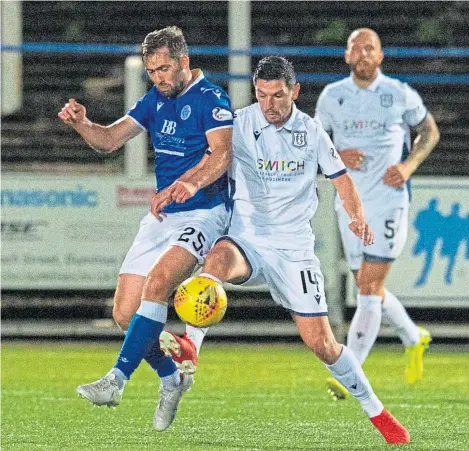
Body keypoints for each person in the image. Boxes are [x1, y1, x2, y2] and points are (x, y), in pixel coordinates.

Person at [155, 55, 410, 444]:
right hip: (248, 241)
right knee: (215, 262)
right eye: (261, 96)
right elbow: (212, 157)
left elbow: (342, 181)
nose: (269, 105)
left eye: (277, 96)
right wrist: (184, 184)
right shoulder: (239, 123)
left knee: (324, 346)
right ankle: (191, 346)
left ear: (295, 91)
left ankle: (377, 412)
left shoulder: (313, 132)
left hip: (294, 252)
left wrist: (357, 216)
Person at [58, 26, 233, 431]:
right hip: (163, 215)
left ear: (184, 62)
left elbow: (222, 155)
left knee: (157, 285)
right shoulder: (155, 100)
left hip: (203, 212)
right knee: (124, 313)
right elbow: (108, 140)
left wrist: (186, 184)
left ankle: (115, 380)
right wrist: (83, 123)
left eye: (165, 68)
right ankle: (172, 379)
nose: (159, 78)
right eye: (153, 70)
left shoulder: (211, 98)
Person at [313, 28, 440, 397]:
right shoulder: (332, 96)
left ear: (380, 56)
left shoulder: (398, 93)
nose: (364, 54)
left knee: (368, 288)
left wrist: (409, 166)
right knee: (369, 285)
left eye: (371, 49)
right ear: (347, 56)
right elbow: (317, 146)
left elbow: (429, 132)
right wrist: (337, 153)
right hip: (350, 203)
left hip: (388, 201)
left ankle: (348, 374)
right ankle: (414, 337)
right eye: (357, 49)